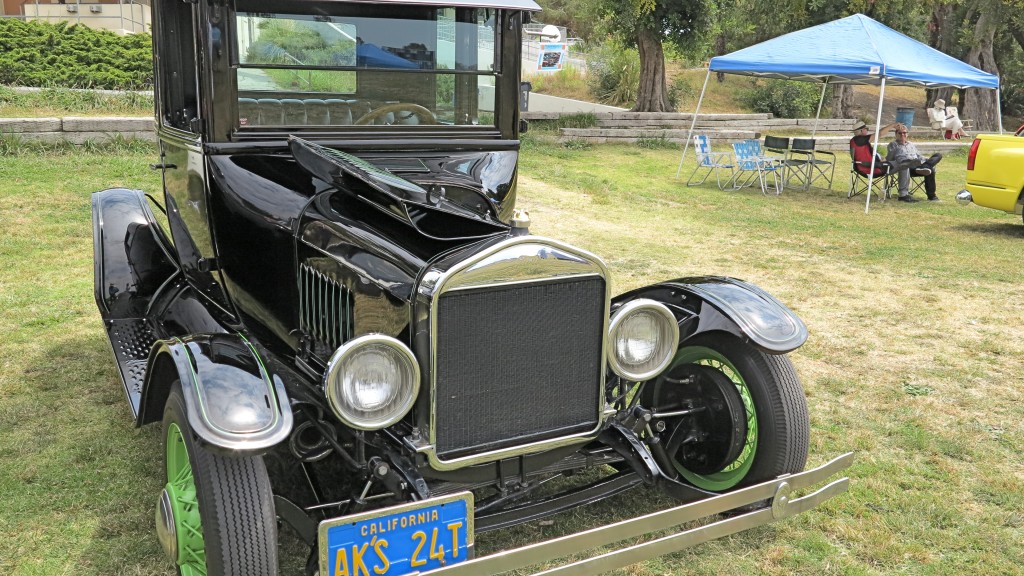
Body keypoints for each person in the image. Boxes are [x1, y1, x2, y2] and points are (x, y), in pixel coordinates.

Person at [885, 123, 942, 202]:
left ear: (907, 134)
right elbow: (889, 158)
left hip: (919, 165)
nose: (902, 134)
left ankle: (926, 167)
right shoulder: (893, 144)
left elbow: (919, 156)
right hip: (906, 167)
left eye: (904, 133)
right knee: (929, 169)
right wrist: (899, 146)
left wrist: (926, 160)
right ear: (896, 135)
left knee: (937, 155)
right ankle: (932, 196)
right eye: (900, 133)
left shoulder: (911, 144)